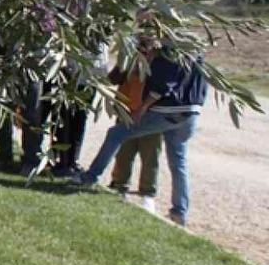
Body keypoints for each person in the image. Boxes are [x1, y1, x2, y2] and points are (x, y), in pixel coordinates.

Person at [76, 43, 207, 226]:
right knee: (178, 161)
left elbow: (162, 86)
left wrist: (142, 109)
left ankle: (90, 177)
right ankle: (179, 212)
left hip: (167, 110)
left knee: (116, 134)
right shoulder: (195, 51)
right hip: (191, 113)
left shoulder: (168, 50)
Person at [107, 37, 162, 215]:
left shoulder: (161, 60)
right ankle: (119, 185)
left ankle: (147, 194)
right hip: (126, 110)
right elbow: (113, 79)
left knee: (150, 154)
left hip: (151, 115)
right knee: (124, 152)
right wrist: (125, 60)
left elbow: (162, 86)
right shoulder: (130, 56)